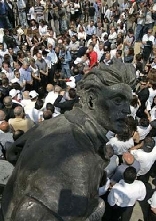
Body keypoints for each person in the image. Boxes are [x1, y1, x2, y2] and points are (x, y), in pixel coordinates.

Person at [1, 60, 136, 221]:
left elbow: (12, 153)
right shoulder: (80, 162)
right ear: (92, 99)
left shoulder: (53, 123)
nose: (127, 110)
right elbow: (28, 215)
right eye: (118, 100)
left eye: (128, 102)